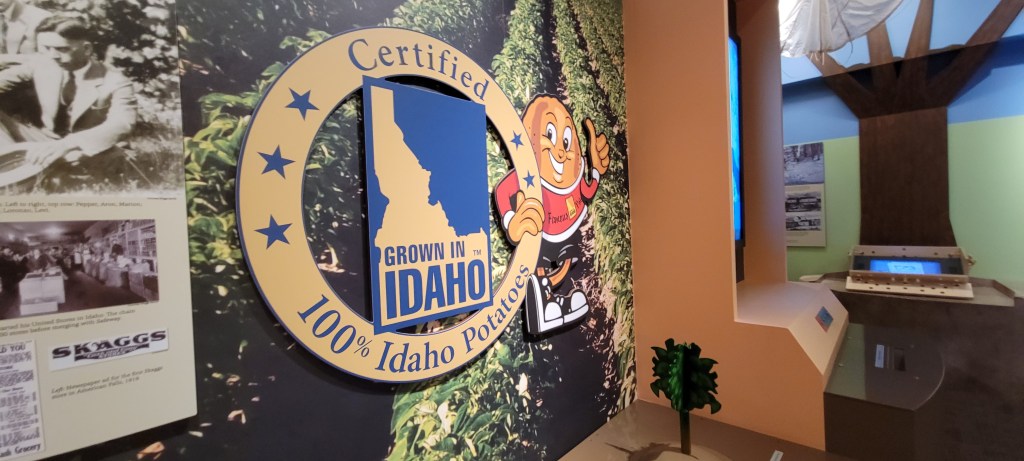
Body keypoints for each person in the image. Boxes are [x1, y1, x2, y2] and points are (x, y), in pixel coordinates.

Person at [0, 15, 136, 187]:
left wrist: (68, 144)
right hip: (44, 141)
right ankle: (9, 167)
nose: (52, 56)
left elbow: (122, 123)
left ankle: (25, 174)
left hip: (84, 146)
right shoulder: (43, 63)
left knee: (76, 161)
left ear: (86, 49)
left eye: (61, 49)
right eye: (46, 48)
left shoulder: (114, 80)